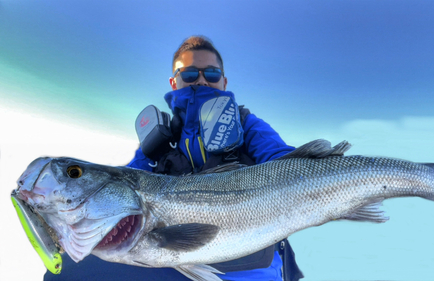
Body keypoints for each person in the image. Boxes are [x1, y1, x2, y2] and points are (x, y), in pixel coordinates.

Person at [45, 36, 303, 281]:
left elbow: (287, 162)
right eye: (190, 73)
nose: (201, 80)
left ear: (223, 82)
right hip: (174, 262)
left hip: (249, 266)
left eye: (211, 73)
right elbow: (124, 190)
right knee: (65, 273)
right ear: (174, 82)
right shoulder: (158, 142)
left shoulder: (246, 124)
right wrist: (72, 215)